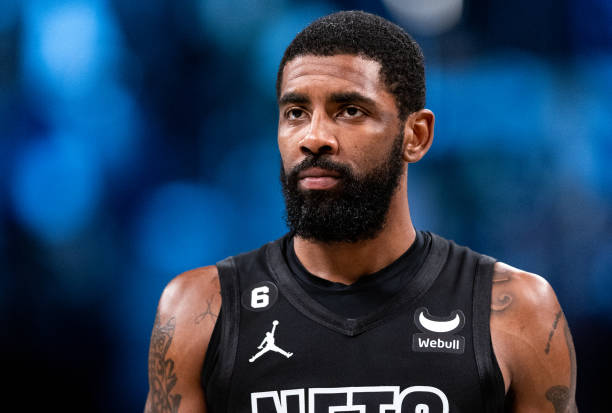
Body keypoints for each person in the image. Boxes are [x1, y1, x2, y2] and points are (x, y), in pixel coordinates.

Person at [144, 10, 577, 413]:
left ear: (416, 135)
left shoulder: (518, 312)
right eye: (295, 112)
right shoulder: (198, 310)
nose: (314, 137)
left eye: (349, 111)